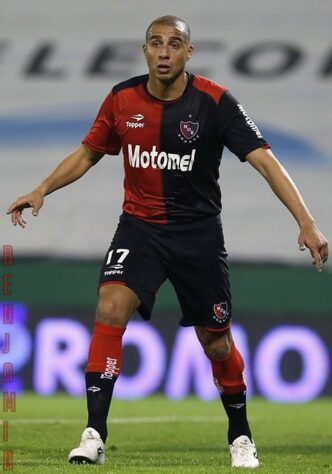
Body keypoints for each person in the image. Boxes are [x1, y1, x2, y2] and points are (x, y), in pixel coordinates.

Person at [7, 15, 328, 469]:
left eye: (174, 44)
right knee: (110, 306)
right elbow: (88, 153)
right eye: (155, 43)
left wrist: (307, 221)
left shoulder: (216, 103)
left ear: (188, 53)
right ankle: (94, 434)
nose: (163, 52)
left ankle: (240, 435)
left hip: (198, 237)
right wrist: (42, 188)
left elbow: (267, 162)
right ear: (144, 50)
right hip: (140, 230)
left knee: (216, 343)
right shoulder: (121, 99)